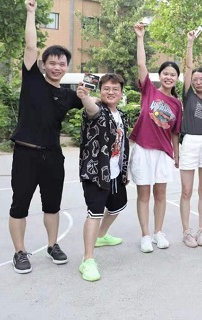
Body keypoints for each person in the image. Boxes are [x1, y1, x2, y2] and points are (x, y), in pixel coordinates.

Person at [8, 0, 83, 274]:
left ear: (66, 67)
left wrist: (88, 95)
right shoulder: (32, 79)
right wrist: (31, 13)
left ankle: (53, 245)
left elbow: (92, 107)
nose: (57, 67)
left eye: (62, 63)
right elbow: (30, 45)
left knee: (52, 205)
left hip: (53, 156)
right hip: (26, 153)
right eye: (52, 62)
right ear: (44, 64)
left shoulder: (68, 95)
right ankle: (19, 251)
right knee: (20, 206)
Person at [130, 22, 183, 252]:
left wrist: (176, 156)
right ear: (159, 76)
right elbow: (141, 64)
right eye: (165, 73)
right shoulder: (149, 90)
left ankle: (158, 232)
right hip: (143, 149)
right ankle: (145, 235)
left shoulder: (177, 103)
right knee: (144, 194)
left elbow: (175, 132)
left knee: (160, 195)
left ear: (177, 78)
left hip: (164, 153)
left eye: (173, 74)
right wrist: (140, 37)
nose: (169, 77)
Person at [76, 74, 130, 282]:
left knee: (118, 206)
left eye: (115, 89)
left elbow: (123, 145)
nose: (111, 92)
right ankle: (87, 260)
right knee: (95, 213)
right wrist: (84, 97)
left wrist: (124, 170)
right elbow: (91, 109)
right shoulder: (98, 109)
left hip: (115, 172)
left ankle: (101, 235)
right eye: (106, 88)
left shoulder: (121, 115)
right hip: (96, 172)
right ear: (100, 91)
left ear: (121, 93)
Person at [179, 30, 202, 248]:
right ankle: (186, 231)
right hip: (190, 143)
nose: (198, 81)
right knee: (186, 191)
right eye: (195, 79)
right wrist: (190, 43)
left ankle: (201, 230)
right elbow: (188, 67)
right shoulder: (189, 95)